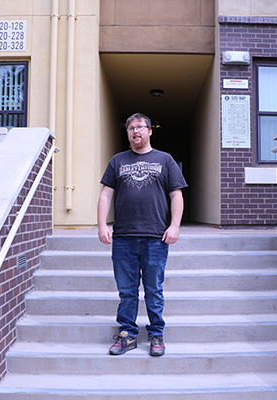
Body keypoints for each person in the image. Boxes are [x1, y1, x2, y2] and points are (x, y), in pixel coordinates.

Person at [97, 112, 187, 357]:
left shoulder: (165, 160)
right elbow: (106, 194)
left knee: (153, 289)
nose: (135, 131)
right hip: (124, 237)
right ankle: (127, 335)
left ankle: (156, 334)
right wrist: (102, 225)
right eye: (130, 128)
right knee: (127, 291)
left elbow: (176, 195)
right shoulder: (118, 160)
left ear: (149, 131)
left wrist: (175, 226)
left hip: (156, 237)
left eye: (139, 127)